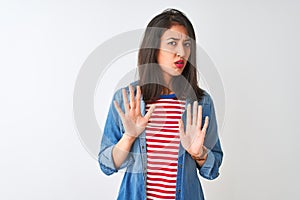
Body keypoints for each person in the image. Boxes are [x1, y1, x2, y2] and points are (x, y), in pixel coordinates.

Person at [98, 8, 223, 200]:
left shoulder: (201, 102)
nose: (181, 52)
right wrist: (130, 136)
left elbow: (212, 170)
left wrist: (199, 154)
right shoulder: (127, 99)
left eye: (186, 44)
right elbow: (107, 165)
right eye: (172, 43)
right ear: (153, 48)